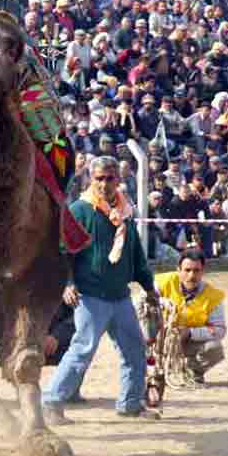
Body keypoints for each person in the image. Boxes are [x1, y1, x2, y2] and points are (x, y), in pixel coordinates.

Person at [42, 156, 160, 424]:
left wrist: (148, 286)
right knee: (82, 350)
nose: (105, 184)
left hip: (120, 297)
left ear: (118, 179)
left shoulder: (126, 213)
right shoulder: (79, 211)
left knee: (134, 351)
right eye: (99, 178)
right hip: (90, 296)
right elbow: (62, 253)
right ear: (90, 180)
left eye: (110, 178)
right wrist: (68, 283)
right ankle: (51, 403)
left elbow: (136, 255)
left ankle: (130, 404)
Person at [155, 249, 226, 384]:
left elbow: (219, 330)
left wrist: (190, 333)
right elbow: (140, 303)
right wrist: (159, 302)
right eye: (187, 270)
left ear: (203, 271)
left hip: (189, 343)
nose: (191, 275)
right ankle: (156, 370)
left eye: (196, 270)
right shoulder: (162, 282)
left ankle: (191, 371)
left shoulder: (214, 296)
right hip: (160, 339)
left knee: (214, 348)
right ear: (178, 270)